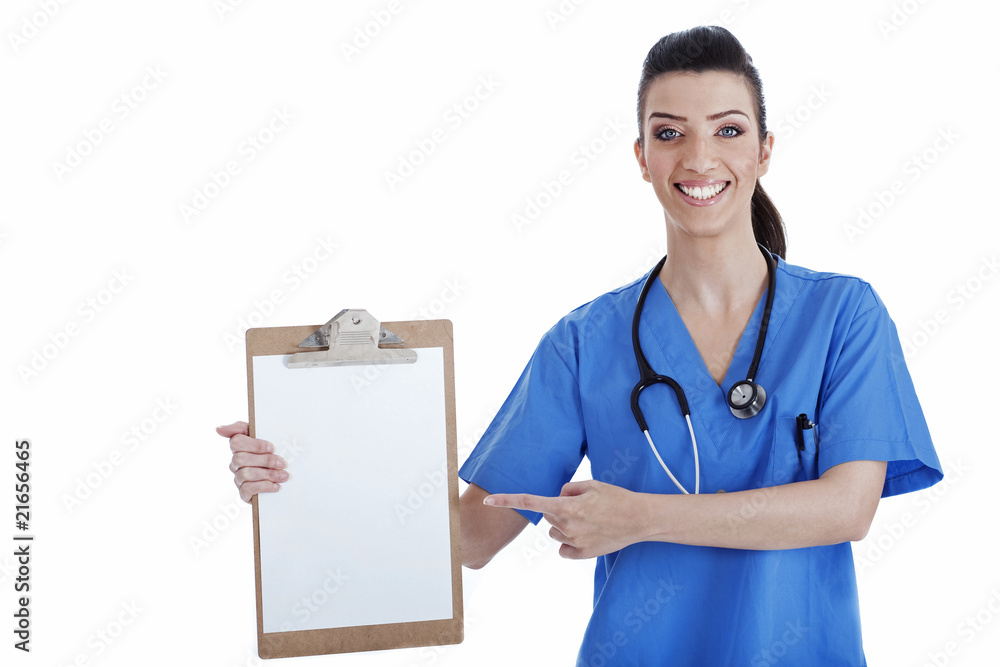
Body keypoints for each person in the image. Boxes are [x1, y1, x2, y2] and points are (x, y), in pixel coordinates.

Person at [222, 25, 942, 666]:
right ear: (640, 155)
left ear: (764, 149)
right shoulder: (584, 343)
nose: (699, 157)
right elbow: (471, 538)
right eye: (668, 133)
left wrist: (641, 517)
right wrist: (310, 467)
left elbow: (847, 507)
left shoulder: (843, 314)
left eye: (727, 130)